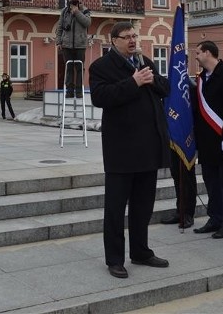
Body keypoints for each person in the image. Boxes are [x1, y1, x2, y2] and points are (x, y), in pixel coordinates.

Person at [89, 21, 170, 279]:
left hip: (148, 147)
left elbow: (164, 88)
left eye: (135, 35)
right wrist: (133, 82)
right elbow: (100, 97)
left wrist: (149, 78)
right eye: (127, 37)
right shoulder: (101, 67)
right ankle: (114, 259)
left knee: (143, 206)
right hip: (121, 151)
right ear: (114, 40)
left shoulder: (144, 61)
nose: (133, 40)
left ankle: (141, 251)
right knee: (115, 208)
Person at [191, 41, 223, 239]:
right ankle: (215, 218)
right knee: (210, 181)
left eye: (198, 52)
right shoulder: (202, 78)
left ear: (208, 53)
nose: (195, 56)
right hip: (206, 141)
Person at [55, 0, 91, 98]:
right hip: (67, 45)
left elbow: (87, 23)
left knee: (80, 68)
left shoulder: (85, 10)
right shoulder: (64, 11)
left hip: (80, 44)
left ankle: (79, 91)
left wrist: (77, 12)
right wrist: (58, 42)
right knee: (69, 68)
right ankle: (69, 91)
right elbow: (59, 27)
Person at [159, 149, 196, 229]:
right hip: (172, 143)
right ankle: (180, 211)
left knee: (187, 176)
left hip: (186, 142)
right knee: (176, 173)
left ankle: (188, 214)